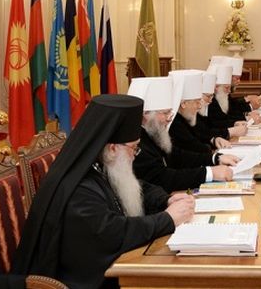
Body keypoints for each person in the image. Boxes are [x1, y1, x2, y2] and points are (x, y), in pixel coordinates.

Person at [11, 94, 196, 288]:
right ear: (113, 148)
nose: (135, 155)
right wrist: (167, 219)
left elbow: (136, 187)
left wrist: (165, 200)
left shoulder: (99, 163)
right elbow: (111, 233)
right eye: (134, 148)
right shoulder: (78, 189)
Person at [129, 77, 235, 193]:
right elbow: (162, 177)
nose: (170, 118)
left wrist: (214, 159)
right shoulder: (134, 142)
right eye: (165, 113)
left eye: (170, 112)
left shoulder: (152, 131)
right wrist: (209, 173)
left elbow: (177, 156)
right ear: (145, 114)